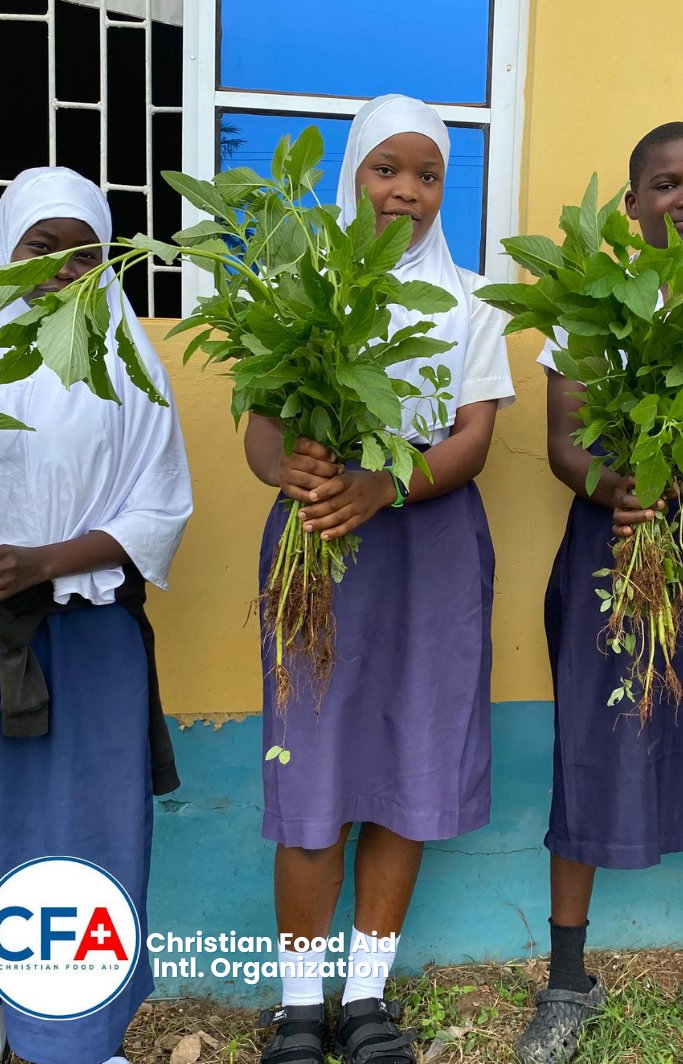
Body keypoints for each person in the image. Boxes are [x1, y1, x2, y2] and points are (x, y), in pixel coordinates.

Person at [0, 166, 193, 1064]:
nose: (62, 271)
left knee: (83, 837)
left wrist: (44, 560)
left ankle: (82, 1038)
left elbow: (162, 509)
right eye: (39, 247)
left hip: (85, 640)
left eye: (86, 256)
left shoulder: (127, 364)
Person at [243, 95, 514, 1064]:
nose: (406, 190)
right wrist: (299, 473)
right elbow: (259, 430)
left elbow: (475, 440)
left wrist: (379, 486)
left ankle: (364, 998)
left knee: (410, 770)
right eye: (385, 169)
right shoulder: (299, 290)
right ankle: (298, 1006)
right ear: (351, 174)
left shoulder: (474, 300)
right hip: (321, 548)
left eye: (428, 175)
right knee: (312, 772)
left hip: (428, 553)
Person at [516, 123, 683, 1064]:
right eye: (667, 183)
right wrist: (612, 488)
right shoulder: (590, 311)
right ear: (630, 206)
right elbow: (564, 442)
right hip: (613, 548)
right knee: (590, 745)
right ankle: (566, 983)